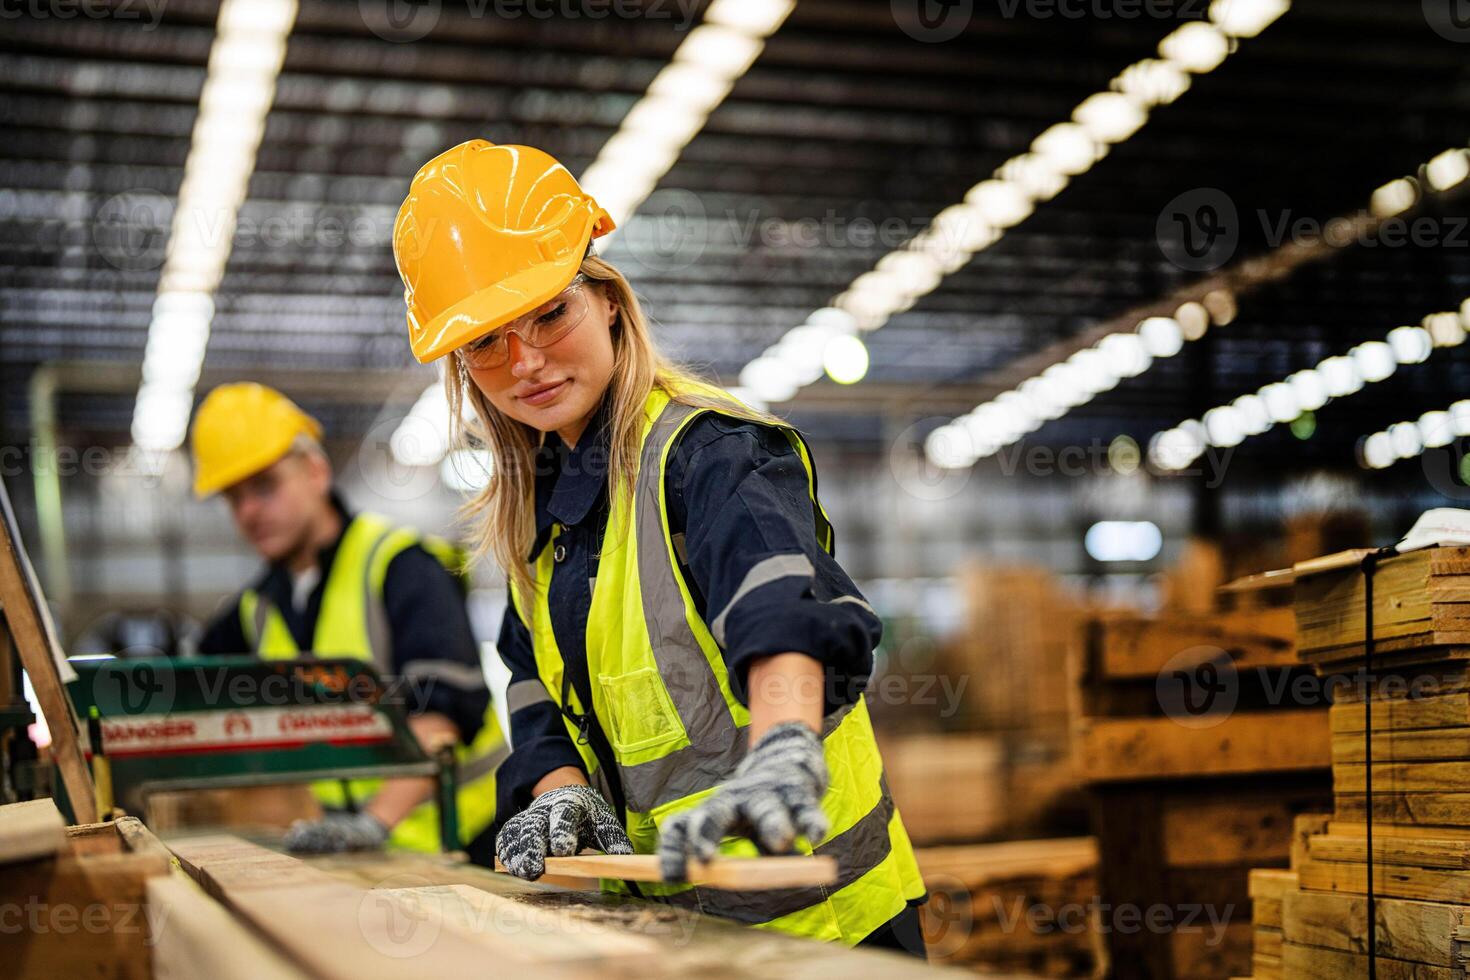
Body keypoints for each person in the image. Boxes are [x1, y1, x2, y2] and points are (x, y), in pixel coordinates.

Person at [390, 140, 928, 955]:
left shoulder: (708, 452)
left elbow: (781, 600)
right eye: (488, 341)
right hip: (671, 937)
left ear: (607, 300)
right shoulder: (535, 511)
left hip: (831, 931)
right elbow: (536, 688)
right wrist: (561, 792)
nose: (526, 361)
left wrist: (784, 745)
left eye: (549, 313)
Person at [190, 382, 505, 866]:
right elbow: (183, 697)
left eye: (264, 486)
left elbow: (440, 721)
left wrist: (370, 825)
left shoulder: (402, 567)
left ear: (316, 471)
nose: (249, 511)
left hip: (472, 847)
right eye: (233, 499)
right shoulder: (256, 610)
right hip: (366, 859)